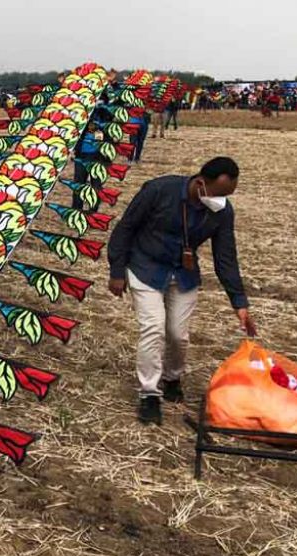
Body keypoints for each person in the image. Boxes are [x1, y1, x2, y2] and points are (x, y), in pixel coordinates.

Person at [106, 157, 256, 424]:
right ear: (200, 183)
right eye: (219, 194)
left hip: (184, 275)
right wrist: (117, 270)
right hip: (145, 268)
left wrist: (239, 303)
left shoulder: (222, 211)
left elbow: (226, 258)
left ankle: (172, 377)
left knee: (178, 335)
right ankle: (149, 395)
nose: (222, 201)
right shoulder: (158, 190)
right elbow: (125, 228)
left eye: (227, 196)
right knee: (153, 328)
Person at [71, 122, 100, 210]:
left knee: (96, 187)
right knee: (79, 184)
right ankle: (76, 210)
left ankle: (93, 212)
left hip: (98, 156)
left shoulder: (103, 114)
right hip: (81, 155)